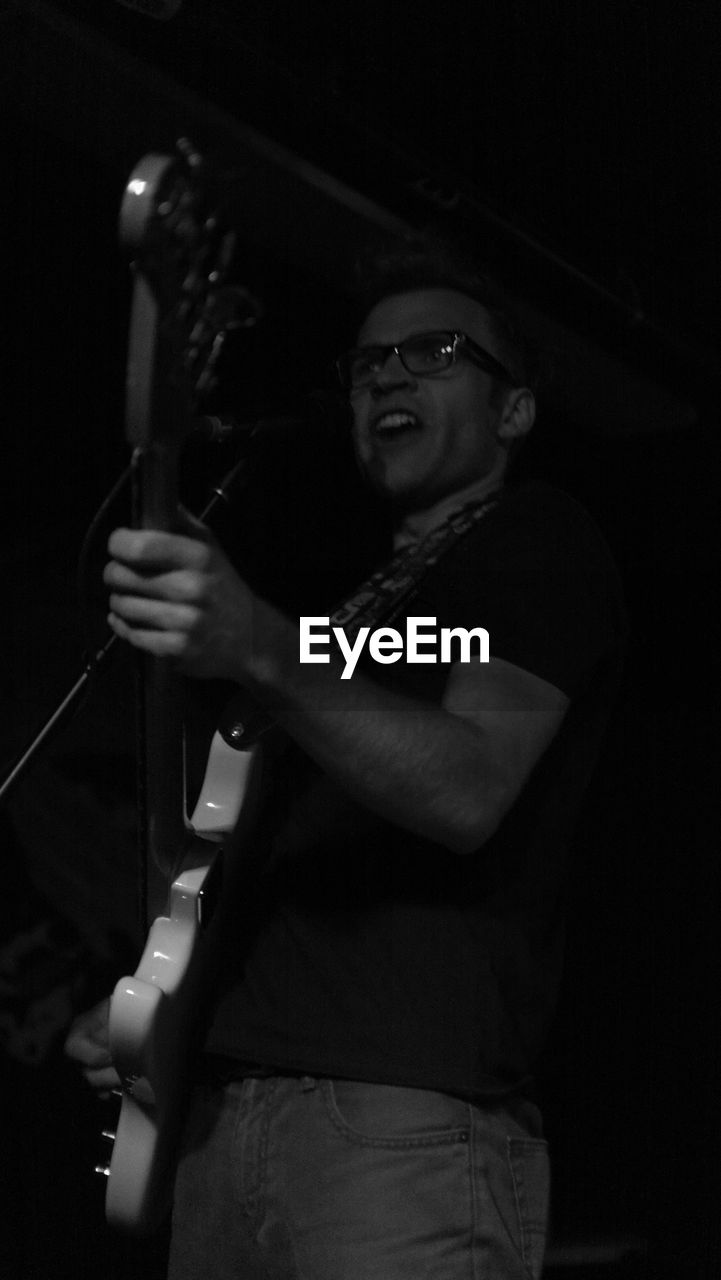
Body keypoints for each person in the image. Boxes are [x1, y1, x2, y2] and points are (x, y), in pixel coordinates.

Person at [66, 240, 625, 1279]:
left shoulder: (536, 540)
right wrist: (157, 1003)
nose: (389, 375)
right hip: (228, 1114)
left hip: (398, 1116)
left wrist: (260, 644)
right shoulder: (353, 612)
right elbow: (254, 850)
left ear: (514, 411)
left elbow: (467, 786)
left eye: (435, 351)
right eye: (368, 363)